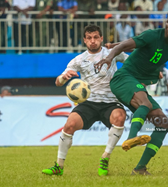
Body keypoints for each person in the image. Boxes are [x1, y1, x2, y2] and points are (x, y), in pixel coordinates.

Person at [94, 9, 168, 175]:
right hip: (123, 78)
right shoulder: (152, 35)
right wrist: (110, 56)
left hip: (136, 83)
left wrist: (155, 71)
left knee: (163, 123)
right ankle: (131, 138)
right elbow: (126, 45)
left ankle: (140, 169)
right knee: (145, 103)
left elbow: (152, 56)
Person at [42, 25, 128, 176]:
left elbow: (131, 62)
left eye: (96, 37)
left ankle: (105, 158)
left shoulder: (112, 53)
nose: (93, 41)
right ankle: (58, 166)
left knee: (120, 117)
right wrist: (63, 77)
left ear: (101, 38)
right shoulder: (79, 60)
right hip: (89, 102)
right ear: (84, 40)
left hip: (111, 101)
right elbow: (58, 82)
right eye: (89, 38)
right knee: (70, 124)